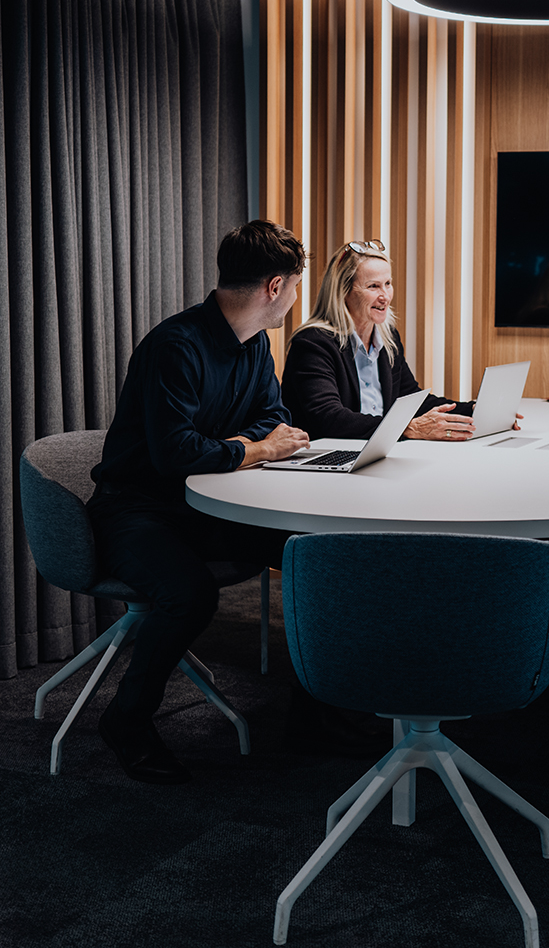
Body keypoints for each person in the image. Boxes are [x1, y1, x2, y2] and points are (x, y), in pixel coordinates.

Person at [89, 220, 311, 784]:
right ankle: (126, 721)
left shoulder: (256, 343)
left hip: (207, 504)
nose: (293, 299)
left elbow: (272, 417)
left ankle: (325, 710)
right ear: (276, 286)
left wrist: (240, 446)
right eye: (294, 287)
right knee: (190, 594)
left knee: (310, 550)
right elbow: (173, 454)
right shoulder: (176, 345)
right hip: (135, 509)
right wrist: (255, 450)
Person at [281, 240, 478, 441]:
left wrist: (473, 410)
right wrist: (406, 428)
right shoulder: (312, 343)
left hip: (375, 452)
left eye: (388, 284)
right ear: (343, 291)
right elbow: (328, 418)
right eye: (373, 286)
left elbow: (410, 400)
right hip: (325, 460)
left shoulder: (388, 337)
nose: (385, 296)